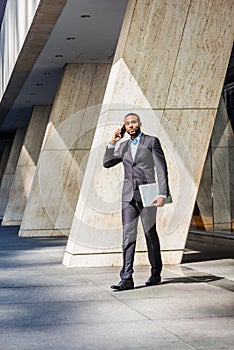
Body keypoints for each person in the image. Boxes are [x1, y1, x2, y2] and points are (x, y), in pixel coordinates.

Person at [103, 112, 170, 291]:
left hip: (148, 193)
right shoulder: (123, 146)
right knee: (128, 236)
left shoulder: (151, 141)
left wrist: (163, 193)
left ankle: (156, 273)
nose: (131, 125)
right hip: (128, 196)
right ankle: (126, 279)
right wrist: (113, 142)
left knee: (150, 234)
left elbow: (162, 169)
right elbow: (107, 163)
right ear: (124, 127)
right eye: (127, 123)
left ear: (139, 123)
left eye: (133, 122)